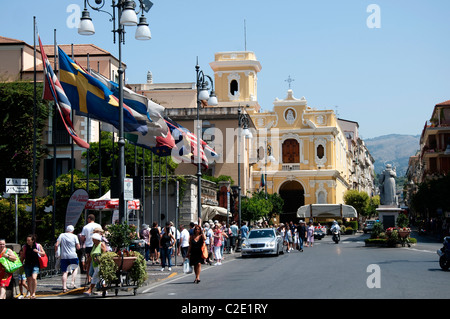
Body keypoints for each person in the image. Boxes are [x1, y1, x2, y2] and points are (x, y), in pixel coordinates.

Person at [55, 225, 81, 292]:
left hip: (64, 256)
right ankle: (72, 282)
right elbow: (78, 247)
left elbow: (56, 245)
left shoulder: (62, 235)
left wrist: (56, 252)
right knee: (75, 268)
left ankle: (64, 287)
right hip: (73, 255)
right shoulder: (74, 236)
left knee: (65, 272)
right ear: (72, 230)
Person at [20, 234, 45, 299]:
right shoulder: (25, 247)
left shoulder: (38, 245)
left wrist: (38, 251)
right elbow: (22, 256)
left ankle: (33, 293)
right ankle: (31, 294)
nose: (27, 241)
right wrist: (21, 263)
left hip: (35, 264)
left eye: (29, 240)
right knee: (29, 280)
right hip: (27, 264)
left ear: (33, 240)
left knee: (34, 278)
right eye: (27, 240)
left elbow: (43, 253)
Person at [80, 214, 101, 282]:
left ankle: (89, 278)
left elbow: (83, 238)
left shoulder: (86, 227)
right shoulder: (98, 225)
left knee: (89, 262)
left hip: (89, 245)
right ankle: (97, 277)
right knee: (97, 261)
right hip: (97, 245)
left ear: (89, 219)